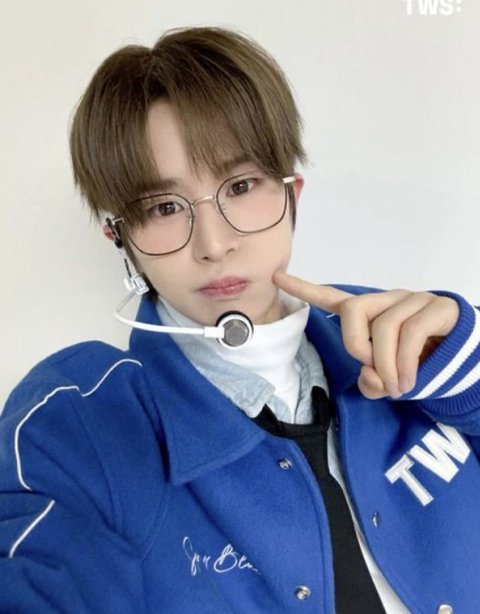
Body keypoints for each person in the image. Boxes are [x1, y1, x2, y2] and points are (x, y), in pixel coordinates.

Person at [0, 25, 479, 614]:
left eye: (242, 185)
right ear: (119, 238)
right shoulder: (82, 420)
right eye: (164, 206)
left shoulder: (415, 337)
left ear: (292, 193)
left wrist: (469, 378)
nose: (214, 244)